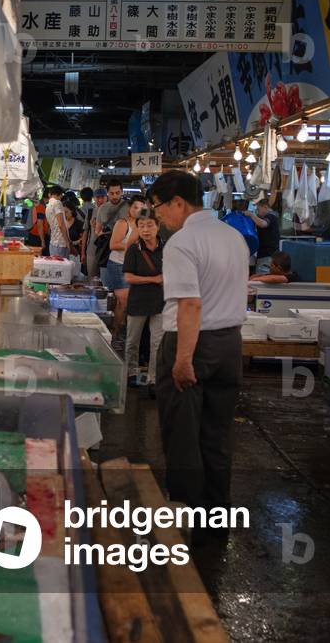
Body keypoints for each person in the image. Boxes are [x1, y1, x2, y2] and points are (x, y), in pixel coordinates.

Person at [148, 170, 248, 526]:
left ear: (178, 202)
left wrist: (183, 360)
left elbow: (190, 304)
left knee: (183, 438)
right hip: (229, 345)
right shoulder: (234, 237)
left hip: (191, 344)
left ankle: (185, 524)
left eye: (159, 207)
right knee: (217, 437)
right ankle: (214, 518)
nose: (157, 215)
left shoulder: (181, 243)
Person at [123, 211, 165, 390]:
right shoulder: (134, 249)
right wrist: (153, 279)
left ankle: (153, 378)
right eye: (141, 226)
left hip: (160, 302)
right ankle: (132, 372)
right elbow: (129, 277)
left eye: (150, 225)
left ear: (158, 226)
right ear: (137, 228)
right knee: (133, 340)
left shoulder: (167, 248)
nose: (146, 230)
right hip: (138, 300)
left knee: (157, 342)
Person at [106, 196, 145, 315]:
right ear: (129, 208)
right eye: (135, 207)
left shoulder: (143, 224)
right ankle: (116, 331)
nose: (138, 211)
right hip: (118, 265)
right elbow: (113, 245)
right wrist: (134, 246)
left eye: (141, 209)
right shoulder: (123, 223)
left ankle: (120, 328)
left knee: (127, 301)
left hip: (134, 267)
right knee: (123, 300)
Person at [248, 198, 280, 273]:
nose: (258, 213)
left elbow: (263, 224)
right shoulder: (270, 217)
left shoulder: (271, 216)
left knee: (263, 280)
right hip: (267, 255)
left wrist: (251, 215)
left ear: (265, 207)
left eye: (258, 209)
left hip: (267, 255)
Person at [84, 187, 107, 276]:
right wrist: (83, 252)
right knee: (92, 277)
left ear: (106, 197)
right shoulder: (90, 212)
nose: (100, 200)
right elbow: (85, 233)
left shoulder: (112, 212)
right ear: (94, 198)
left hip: (106, 250)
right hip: (92, 250)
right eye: (97, 197)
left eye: (102, 197)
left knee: (105, 278)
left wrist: (97, 228)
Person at [45, 185, 72, 258]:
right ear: (60, 195)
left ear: (49, 194)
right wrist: (67, 242)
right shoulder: (57, 203)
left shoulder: (47, 206)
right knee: (63, 268)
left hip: (53, 242)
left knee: (55, 267)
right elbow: (61, 224)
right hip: (61, 242)